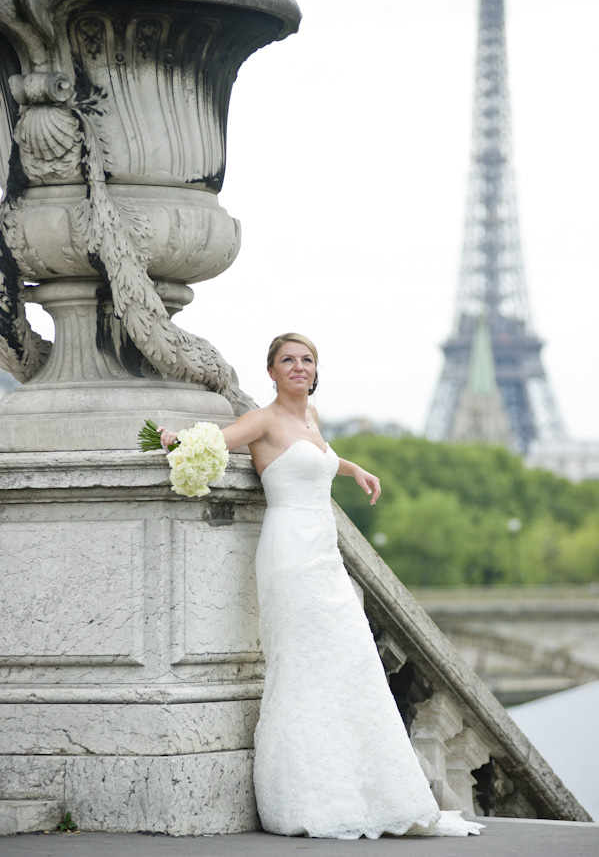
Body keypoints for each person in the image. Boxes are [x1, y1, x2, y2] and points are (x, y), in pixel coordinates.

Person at [159, 333, 482, 839]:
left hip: (324, 556)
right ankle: (309, 794)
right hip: (289, 555)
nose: (299, 367)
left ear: (316, 369)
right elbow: (216, 443)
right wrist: (176, 441)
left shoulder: (312, 419)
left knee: (347, 663)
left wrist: (353, 468)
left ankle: (359, 787)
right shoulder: (264, 420)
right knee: (302, 664)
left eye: (306, 360)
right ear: (270, 371)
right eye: (287, 360)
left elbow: (318, 457)